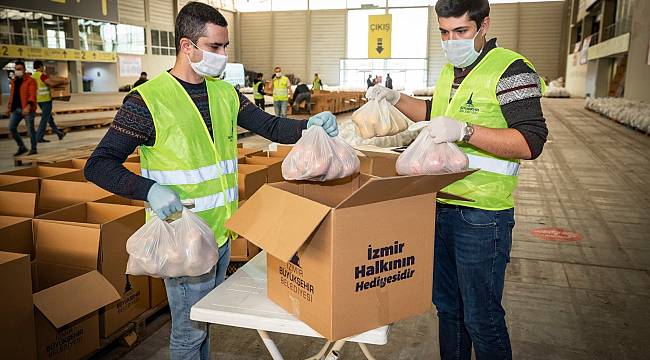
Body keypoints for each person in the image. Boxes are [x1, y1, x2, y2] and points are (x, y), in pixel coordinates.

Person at [83, 3, 338, 359]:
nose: (223, 55)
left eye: (225, 46)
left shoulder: (224, 92)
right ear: (187, 46)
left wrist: (308, 125)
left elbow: (270, 126)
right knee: (189, 334)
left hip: (220, 232)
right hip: (184, 238)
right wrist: (149, 189)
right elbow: (97, 165)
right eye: (215, 47)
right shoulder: (147, 102)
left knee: (204, 328)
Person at [366, 0, 548, 359]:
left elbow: (531, 142)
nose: (451, 40)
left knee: (482, 317)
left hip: (482, 214)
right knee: (449, 311)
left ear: (483, 25)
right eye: (444, 33)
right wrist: (394, 97)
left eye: (461, 31)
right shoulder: (452, 69)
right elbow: (436, 115)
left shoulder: (510, 69)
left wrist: (465, 130)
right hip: (439, 205)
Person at [7, 61, 38, 156]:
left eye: (19, 69)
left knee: (30, 129)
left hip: (27, 109)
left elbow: (32, 95)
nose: (18, 71)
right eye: (16, 69)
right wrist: (9, 107)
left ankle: (33, 148)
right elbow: (12, 95)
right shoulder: (14, 81)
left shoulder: (30, 81)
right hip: (15, 109)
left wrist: (28, 107)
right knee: (12, 128)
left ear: (24, 69)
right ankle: (22, 147)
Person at [32, 60, 67, 143]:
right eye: (42, 66)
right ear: (40, 66)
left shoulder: (33, 76)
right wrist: (62, 81)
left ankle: (59, 133)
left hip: (39, 99)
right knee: (44, 119)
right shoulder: (42, 76)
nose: (43, 68)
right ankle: (39, 137)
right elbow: (51, 84)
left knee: (49, 118)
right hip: (46, 100)